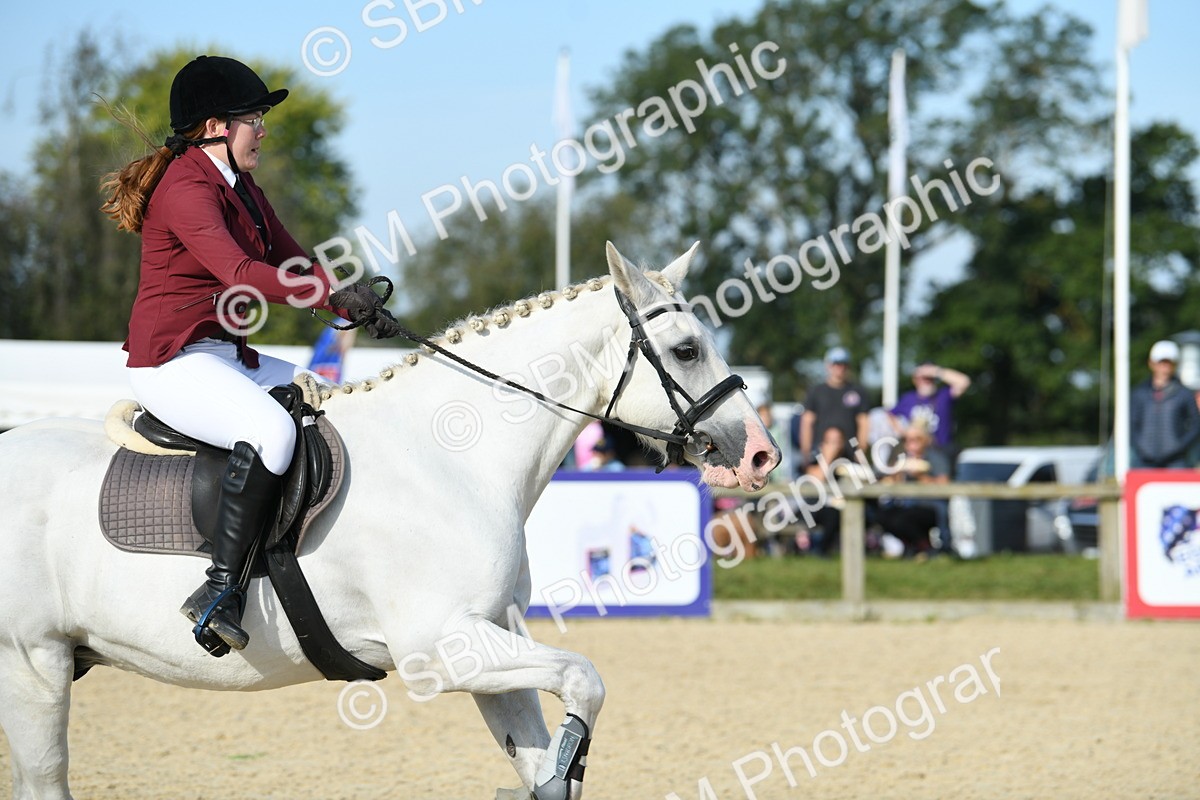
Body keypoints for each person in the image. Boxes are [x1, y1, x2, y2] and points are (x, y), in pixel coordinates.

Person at [101, 55, 400, 657]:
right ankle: (219, 590)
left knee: (329, 399)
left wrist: (353, 302)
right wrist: (326, 294)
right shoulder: (186, 188)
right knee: (271, 432)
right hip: (171, 362)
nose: (262, 130)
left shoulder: (241, 187)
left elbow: (294, 261)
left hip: (224, 354)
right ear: (216, 126)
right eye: (254, 119)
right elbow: (240, 272)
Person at [876, 420, 951, 557]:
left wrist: (921, 476)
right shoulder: (901, 458)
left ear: (926, 440)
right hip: (907, 505)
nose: (911, 443)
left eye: (917, 439)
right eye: (907, 439)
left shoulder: (936, 457)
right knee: (881, 516)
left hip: (930, 506)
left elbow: (944, 486)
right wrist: (895, 476)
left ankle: (925, 547)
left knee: (903, 519)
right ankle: (916, 546)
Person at [798, 346, 869, 475]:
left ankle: (818, 475)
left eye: (843, 364)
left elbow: (863, 422)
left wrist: (860, 452)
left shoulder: (857, 392)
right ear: (828, 365)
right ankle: (820, 475)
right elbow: (807, 422)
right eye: (836, 364)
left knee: (835, 435)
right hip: (819, 451)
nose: (840, 368)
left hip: (848, 452)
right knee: (833, 435)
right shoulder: (816, 391)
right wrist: (805, 453)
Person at [1131, 340, 1200, 468]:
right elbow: (1132, 425)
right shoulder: (1139, 394)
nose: (1164, 367)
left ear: (1175, 365)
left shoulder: (1184, 394)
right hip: (1145, 461)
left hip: (1176, 462)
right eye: (1161, 362)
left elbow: (1195, 425)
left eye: (1168, 363)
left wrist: (1180, 446)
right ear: (1151, 363)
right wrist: (1141, 446)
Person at [889, 362, 971, 451]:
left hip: (941, 448)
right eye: (924, 378)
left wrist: (936, 371)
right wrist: (904, 433)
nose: (927, 381)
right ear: (915, 380)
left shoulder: (943, 396)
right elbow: (890, 414)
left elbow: (964, 382)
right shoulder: (908, 398)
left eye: (930, 378)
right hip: (916, 450)